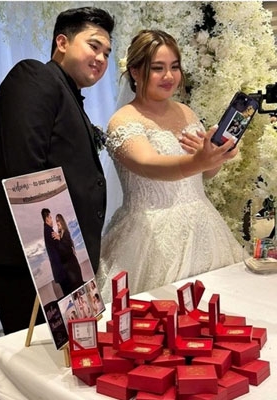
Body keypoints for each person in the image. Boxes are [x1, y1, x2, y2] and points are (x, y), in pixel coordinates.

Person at [0, 7, 115, 334]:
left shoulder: (68, 93)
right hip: (29, 255)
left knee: (64, 350)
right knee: (39, 352)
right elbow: (26, 172)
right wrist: (58, 259)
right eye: (94, 46)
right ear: (62, 42)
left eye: (107, 53)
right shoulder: (34, 77)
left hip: (57, 252)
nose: (101, 58)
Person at [95, 30, 246, 302]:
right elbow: (148, 165)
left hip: (203, 226)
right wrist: (198, 160)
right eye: (158, 68)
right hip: (148, 236)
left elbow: (205, 174)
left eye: (174, 67)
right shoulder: (123, 120)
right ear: (135, 72)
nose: (169, 76)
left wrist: (217, 156)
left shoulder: (186, 112)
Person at [41, 208, 70, 295]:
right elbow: (60, 248)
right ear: (47, 218)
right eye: (50, 217)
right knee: (68, 291)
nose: (52, 220)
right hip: (61, 271)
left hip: (58, 271)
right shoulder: (49, 231)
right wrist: (60, 238)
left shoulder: (46, 230)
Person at [54, 213, 85, 292]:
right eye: (56, 221)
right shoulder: (60, 233)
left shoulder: (66, 232)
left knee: (77, 283)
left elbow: (67, 247)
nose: (57, 222)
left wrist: (59, 239)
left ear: (62, 221)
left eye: (58, 220)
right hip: (68, 266)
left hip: (72, 264)